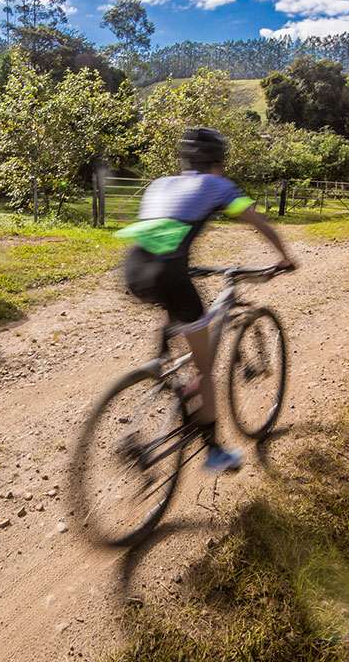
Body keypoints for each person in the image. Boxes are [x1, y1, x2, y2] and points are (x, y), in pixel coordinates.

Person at [117, 127, 295, 473]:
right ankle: (214, 452)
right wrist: (284, 256)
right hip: (169, 275)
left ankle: (161, 369)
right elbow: (259, 223)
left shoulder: (160, 183)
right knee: (205, 369)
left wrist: (183, 266)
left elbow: (162, 234)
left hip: (134, 269)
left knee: (177, 315)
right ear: (219, 162)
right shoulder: (218, 185)